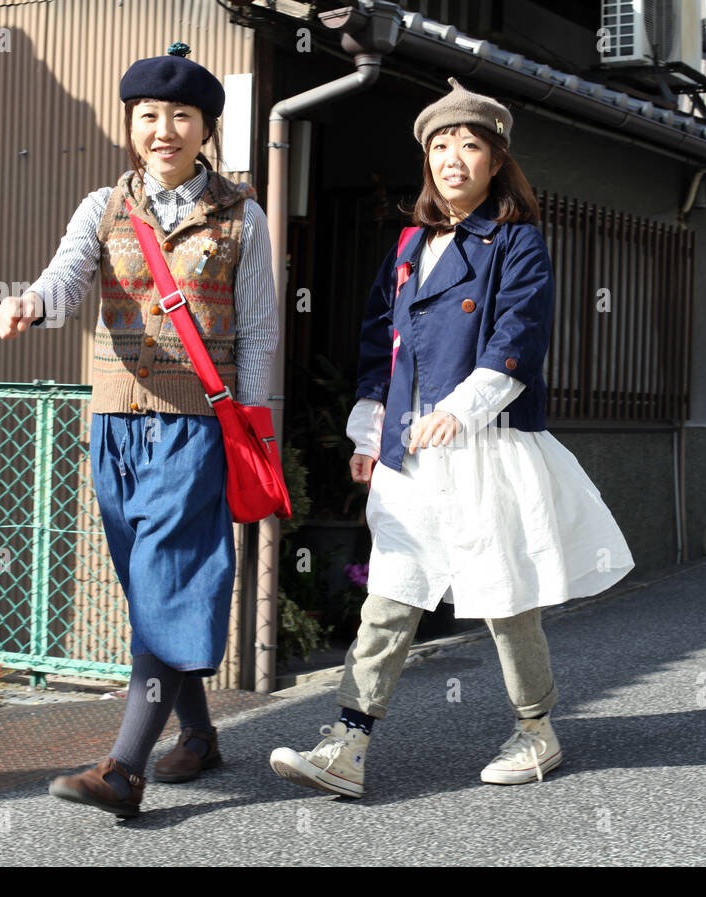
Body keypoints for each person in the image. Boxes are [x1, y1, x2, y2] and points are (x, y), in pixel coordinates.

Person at [269, 77, 634, 798]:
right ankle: (349, 741)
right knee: (392, 595)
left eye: (471, 145)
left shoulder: (517, 243)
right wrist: (371, 432)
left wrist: (459, 410)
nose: (454, 158)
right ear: (427, 159)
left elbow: (516, 345)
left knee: (502, 598)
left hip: (486, 446)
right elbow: (384, 347)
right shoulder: (409, 244)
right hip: (412, 452)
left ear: (497, 161)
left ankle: (536, 730)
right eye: (441, 145)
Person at [0, 43, 278, 817]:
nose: (164, 129)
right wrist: (32, 303)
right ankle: (200, 734)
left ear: (205, 128)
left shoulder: (240, 216)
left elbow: (258, 330)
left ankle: (124, 769)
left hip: (195, 428)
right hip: (114, 424)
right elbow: (68, 274)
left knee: (169, 584)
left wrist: (252, 430)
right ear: (131, 124)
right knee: (147, 588)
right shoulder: (102, 207)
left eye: (182, 116)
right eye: (149, 115)